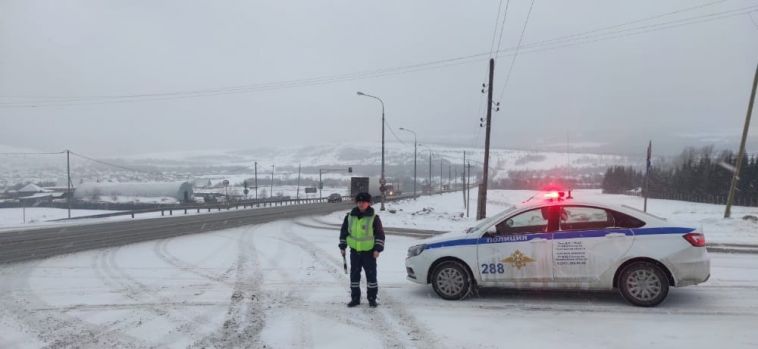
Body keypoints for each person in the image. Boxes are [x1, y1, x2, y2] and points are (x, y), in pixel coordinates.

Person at [339, 192, 385, 308]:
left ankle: (372, 298)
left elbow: (380, 235)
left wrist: (377, 249)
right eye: (359, 202)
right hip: (354, 252)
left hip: (369, 253)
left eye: (363, 202)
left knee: (371, 277)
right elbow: (344, 232)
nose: (361, 204)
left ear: (368, 203)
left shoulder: (374, 217)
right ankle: (355, 298)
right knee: (354, 276)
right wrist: (342, 246)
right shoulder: (349, 216)